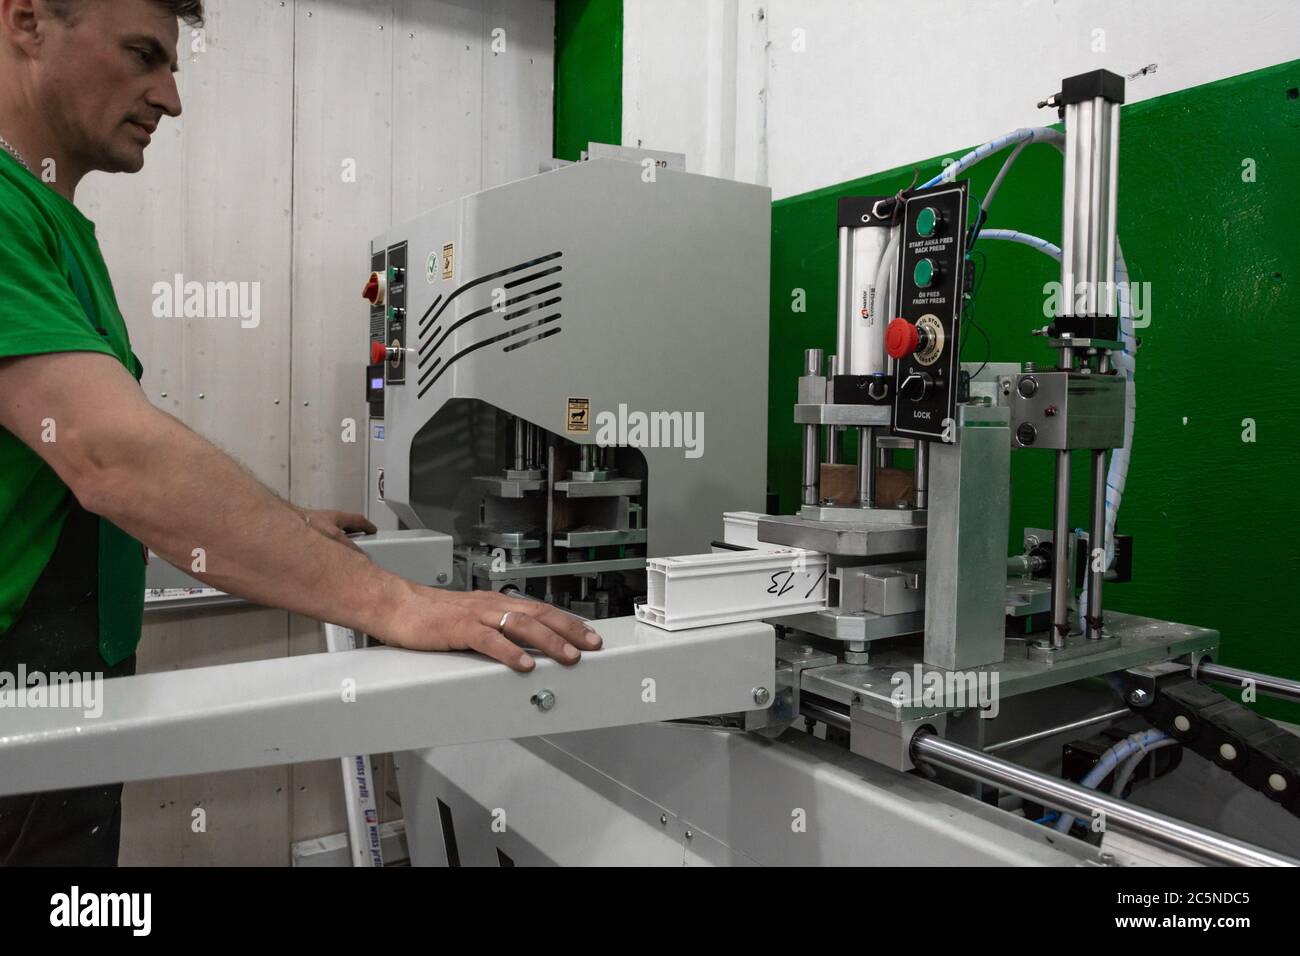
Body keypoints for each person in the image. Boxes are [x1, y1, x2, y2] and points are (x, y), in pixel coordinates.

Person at [0, 0, 600, 866]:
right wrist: (397, 604)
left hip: (64, 694)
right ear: (26, 19)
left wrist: (283, 533)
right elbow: (111, 457)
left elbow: (61, 484)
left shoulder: (53, 222)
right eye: (143, 55)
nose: (170, 98)